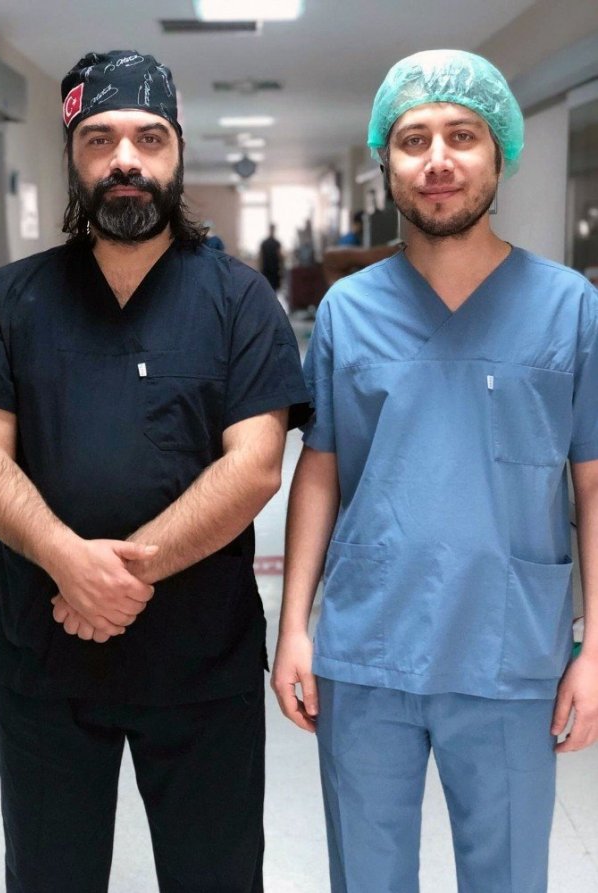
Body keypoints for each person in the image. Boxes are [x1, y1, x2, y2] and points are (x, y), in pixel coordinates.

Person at [0, 49, 309, 893]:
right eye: (98, 138)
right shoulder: (9, 301)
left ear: (178, 152)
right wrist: (68, 562)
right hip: (47, 659)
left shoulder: (239, 302)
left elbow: (255, 467)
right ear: (72, 156)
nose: (124, 159)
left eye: (149, 137)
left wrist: (116, 576)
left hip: (200, 663)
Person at [272, 48, 598, 893]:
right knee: (367, 877)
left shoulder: (570, 307)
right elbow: (320, 468)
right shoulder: (348, 311)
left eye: (463, 135)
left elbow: (593, 484)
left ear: (500, 153)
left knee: (509, 877)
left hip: (509, 649)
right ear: (386, 162)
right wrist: (295, 626)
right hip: (367, 646)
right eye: (414, 139)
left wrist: (596, 646)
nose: (439, 159)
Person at [259, 223, 283, 291]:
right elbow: (261, 257)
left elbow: (260, 257)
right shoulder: (275, 243)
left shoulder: (266, 243)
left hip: (271, 269)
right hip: (270, 269)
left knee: (268, 289)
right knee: (271, 289)